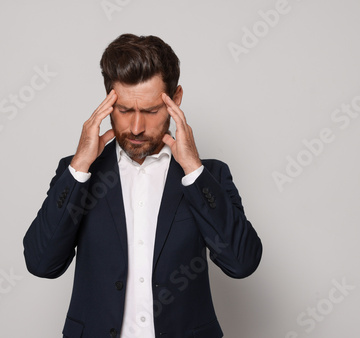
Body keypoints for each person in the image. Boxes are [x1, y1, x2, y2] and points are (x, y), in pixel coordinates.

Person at [23, 33, 262, 338]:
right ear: (108, 102)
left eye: (150, 111)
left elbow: (242, 263)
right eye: (124, 111)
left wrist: (192, 169)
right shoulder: (78, 174)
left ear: (175, 100)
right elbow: (41, 263)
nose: (136, 128)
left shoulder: (208, 176)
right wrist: (80, 167)